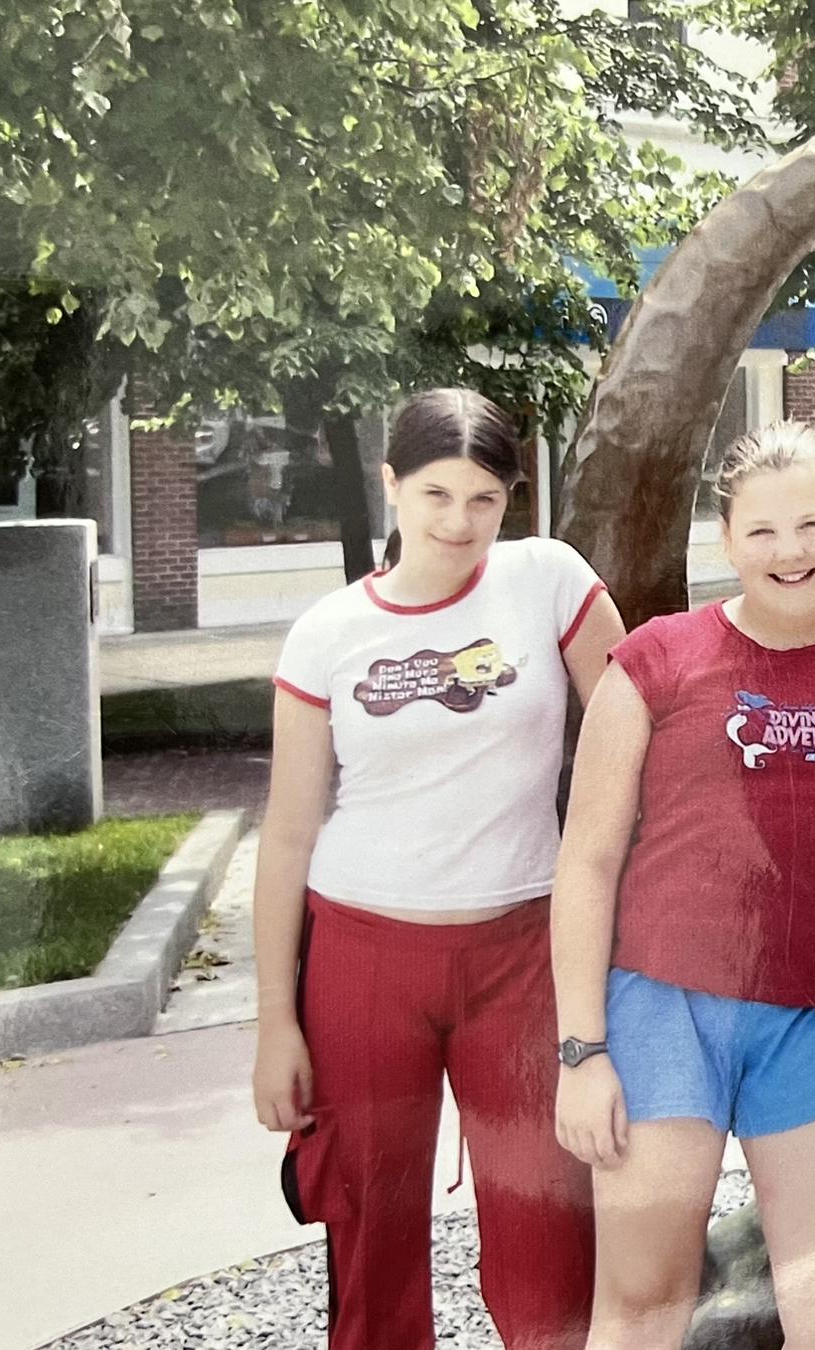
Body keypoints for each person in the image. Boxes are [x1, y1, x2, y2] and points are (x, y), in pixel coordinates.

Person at [550, 421, 815, 1349]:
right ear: (727, 539)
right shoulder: (656, 660)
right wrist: (581, 1053)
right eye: (763, 531)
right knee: (645, 1296)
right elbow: (585, 861)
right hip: (665, 1010)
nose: (791, 552)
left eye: (814, 524)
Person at [252, 388, 626, 1349]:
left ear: (512, 501)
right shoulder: (328, 634)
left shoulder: (548, 579)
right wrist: (274, 1024)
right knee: (369, 1229)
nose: (459, 523)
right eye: (434, 496)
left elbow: (638, 736)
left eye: (483, 500)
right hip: (364, 955)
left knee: (551, 1230)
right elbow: (289, 833)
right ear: (389, 486)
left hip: (524, 953)